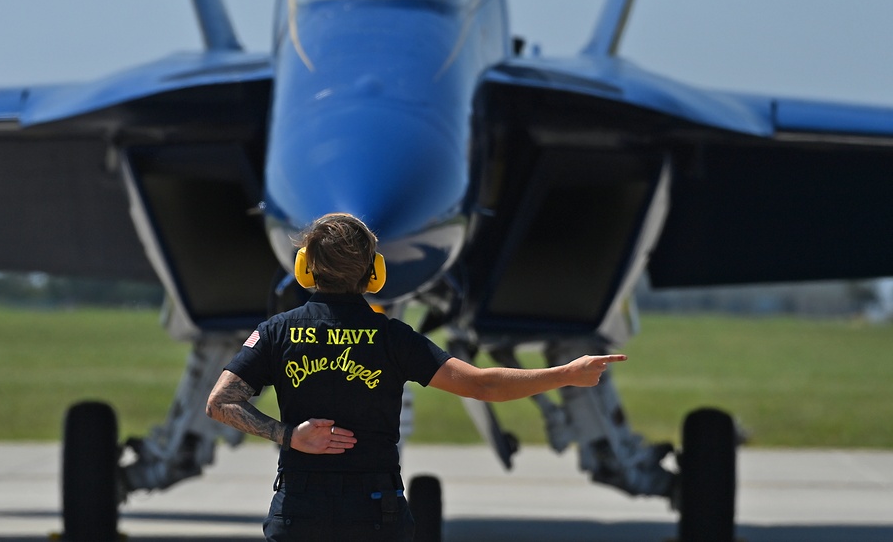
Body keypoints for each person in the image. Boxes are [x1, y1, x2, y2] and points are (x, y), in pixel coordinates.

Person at [206, 213, 626, 541]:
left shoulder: (278, 331)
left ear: (305, 267)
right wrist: (567, 373)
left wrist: (289, 436)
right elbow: (483, 385)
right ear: (374, 271)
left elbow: (221, 402)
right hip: (375, 512)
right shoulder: (392, 337)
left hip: (299, 509)